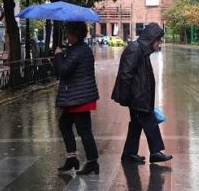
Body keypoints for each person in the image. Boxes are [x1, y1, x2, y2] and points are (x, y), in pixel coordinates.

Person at [111, 23, 173, 164]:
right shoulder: (135, 49)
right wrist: (127, 99)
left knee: (137, 124)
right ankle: (155, 152)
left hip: (139, 96)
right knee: (149, 121)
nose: (159, 44)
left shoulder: (142, 50)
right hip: (136, 97)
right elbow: (126, 75)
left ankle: (129, 154)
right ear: (152, 39)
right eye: (158, 41)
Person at [55, 22, 101, 175]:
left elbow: (64, 70)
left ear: (74, 34)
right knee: (64, 124)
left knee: (84, 130)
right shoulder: (79, 49)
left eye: (68, 33)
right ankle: (72, 158)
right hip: (77, 96)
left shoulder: (78, 50)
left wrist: (59, 55)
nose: (66, 35)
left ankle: (92, 162)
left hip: (79, 97)